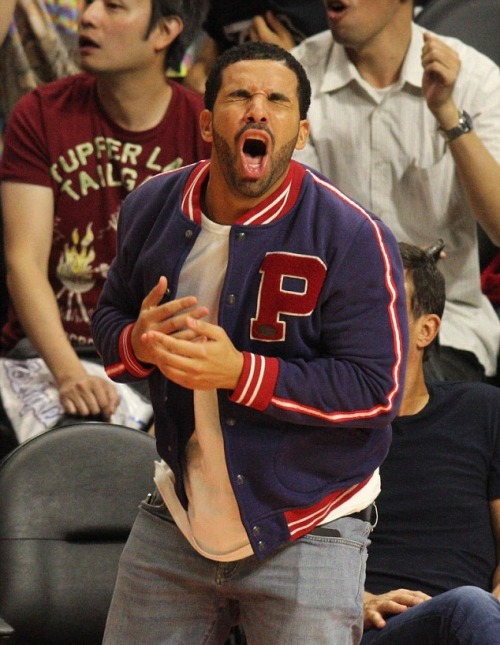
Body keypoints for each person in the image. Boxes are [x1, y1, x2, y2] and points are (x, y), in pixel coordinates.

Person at [92, 41, 408, 645]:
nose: (258, 111)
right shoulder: (151, 207)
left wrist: (241, 372)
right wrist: (138, 342)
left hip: (309, 516)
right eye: (240, 95)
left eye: (277, 100)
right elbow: (109, 319)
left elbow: (376, 393)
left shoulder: (352, 236)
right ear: (208, 121)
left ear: (304, 130)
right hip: (181, 514)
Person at [0, 0, 211, 432]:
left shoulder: (202, 129)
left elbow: (219, 279)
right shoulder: (40, 113)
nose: (89, 17)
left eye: (114, 7)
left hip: (160, 360)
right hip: (47, 353)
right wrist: (69, 373)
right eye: (90, 3)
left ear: (164, 31)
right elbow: (23, 261)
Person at [292, 0, 500, 383]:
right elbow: (293, 228)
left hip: (445, 325)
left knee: (403, 396)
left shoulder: (476, 79)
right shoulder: (294, 77)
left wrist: (448, 114)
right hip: (326, 322)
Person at [361, 242, 500, 645]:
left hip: (475, 622)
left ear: (426, 329)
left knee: (472, 609)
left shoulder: (482, 410)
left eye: (384, 308)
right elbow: (288, 561)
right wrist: (361, 600)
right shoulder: (323, 430)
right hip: (376, 628)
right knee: (468, 607)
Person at [183, 0, 328, 93]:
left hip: (305, 102)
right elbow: (208, 59)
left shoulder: (322, 11)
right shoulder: (223, 7)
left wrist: (292, 61)